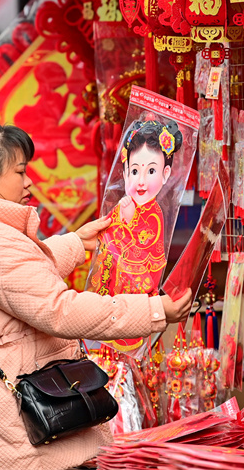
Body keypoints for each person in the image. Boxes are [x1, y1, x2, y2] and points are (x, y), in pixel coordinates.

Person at [0, 122, 192, 470]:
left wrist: (77, 244)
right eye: (20, 172)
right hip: (31, 431)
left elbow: (22, 278)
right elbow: (59, 311)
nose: (28, 181)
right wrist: (155, 310)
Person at [88, 120, 183, 353]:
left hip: (136, 285)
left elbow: (144, 247)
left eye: (151, 171)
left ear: (165, 174)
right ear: (124, 172)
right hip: (112, 285)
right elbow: (107, 237)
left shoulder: (155, 214)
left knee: (128, 334)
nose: (141, 181)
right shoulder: (123, 205)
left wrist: (128, 222)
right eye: (134, 171)